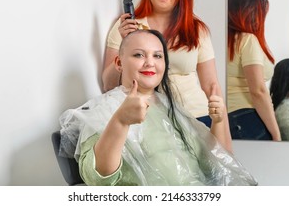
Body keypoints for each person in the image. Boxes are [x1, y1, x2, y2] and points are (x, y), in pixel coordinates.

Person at [59, 30, 257, 186]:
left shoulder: (172, 108)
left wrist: (219, 121)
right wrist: (121, 121)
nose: (150, 63)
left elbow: (219, 163)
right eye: (139, 55)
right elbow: (97, 178)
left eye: (158, 56)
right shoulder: (104, 109)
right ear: (119, 63)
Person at [102, 0, 230, 145]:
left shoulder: (197, 30)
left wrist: (224, 136)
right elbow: (108, 85)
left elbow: (212, 85)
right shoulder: (126, 27)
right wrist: (125, 41)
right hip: (149, 120)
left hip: (197, 116)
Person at [227, 0, 281, 141]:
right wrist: (276, 133)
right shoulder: (248, 40)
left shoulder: (223, 40)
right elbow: (258, 91)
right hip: (247, 116)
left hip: (227, 118)